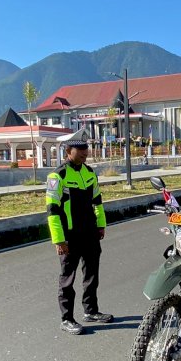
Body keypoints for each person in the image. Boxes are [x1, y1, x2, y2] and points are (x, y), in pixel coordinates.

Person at [46, 128, 113, 335]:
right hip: (70, 236)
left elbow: (98, 202)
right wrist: (59, 240)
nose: (85, 152)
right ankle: (66, 319)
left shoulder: (90, 172)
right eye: (80, 149)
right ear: (68, 151)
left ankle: (91, 311)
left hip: (90, 233)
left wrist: (101, 225)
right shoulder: (57, 176)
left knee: (92, 274)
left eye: (86, 148)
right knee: (67, 278)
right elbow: (52, 211)